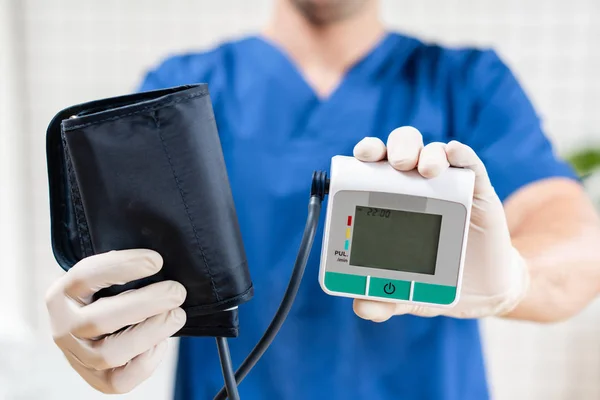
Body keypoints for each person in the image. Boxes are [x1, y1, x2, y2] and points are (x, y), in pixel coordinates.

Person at [44, 0, 600, 399]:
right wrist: (102, 330)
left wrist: (518, 281)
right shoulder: (181, 94)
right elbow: (126, 278)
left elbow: (578, 246)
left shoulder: (467, 83)